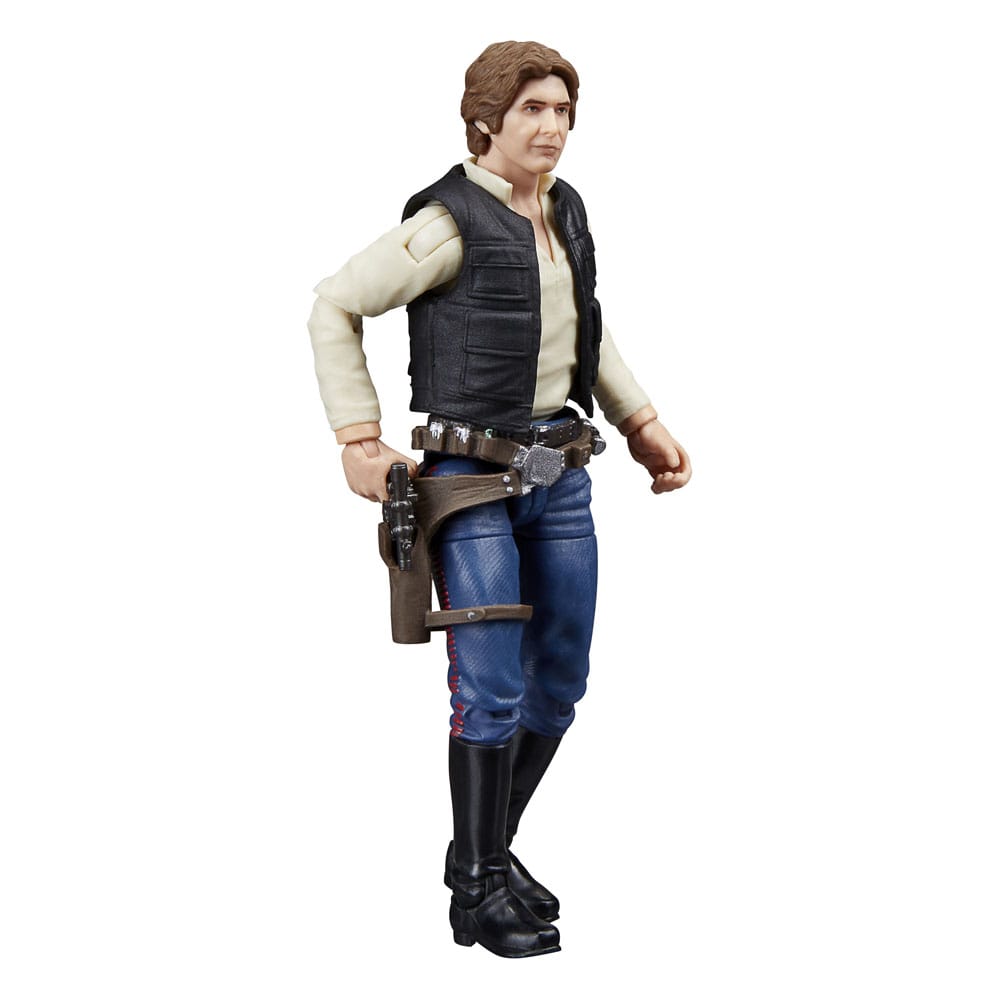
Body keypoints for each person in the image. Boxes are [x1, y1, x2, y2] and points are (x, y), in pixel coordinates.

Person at [307, 40, 691, 958]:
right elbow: (334, 305)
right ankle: (477, 890)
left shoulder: (565, 212)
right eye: (532, 110)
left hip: (560, 476)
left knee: (559, 679)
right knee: (489, 687)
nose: (552, 128)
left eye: (562, 111)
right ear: (486, 119)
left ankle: (484, 856)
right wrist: (358, 437)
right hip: (469, 482)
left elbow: (585, 331)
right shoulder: (446, 224)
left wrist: (640, 420)